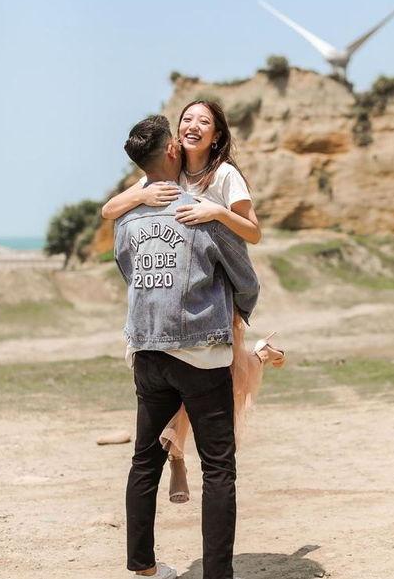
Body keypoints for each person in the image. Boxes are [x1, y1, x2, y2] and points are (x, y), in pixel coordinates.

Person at [104, 100, 285, 504]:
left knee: (222, 381)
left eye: (204, 121)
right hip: (170, 297)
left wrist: (215, 212)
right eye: (187, 118)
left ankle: (180, 453)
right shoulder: (168, 170)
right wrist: (142, 196)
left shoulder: (225, 175)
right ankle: (177, 458)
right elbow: (109, 210)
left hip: (212, 295)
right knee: (185, 380)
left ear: (216, 135)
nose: (193, 125)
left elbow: (253, 232)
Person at [115, 114, 260, 579]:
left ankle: (142, 566)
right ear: (172, 151)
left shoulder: (128, 217)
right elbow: (246, 280)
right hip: (201, 354)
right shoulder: (201, 211)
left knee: (144, 460)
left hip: (147, 351)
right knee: (218, 468)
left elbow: (128, 269)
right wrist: (231, 313)